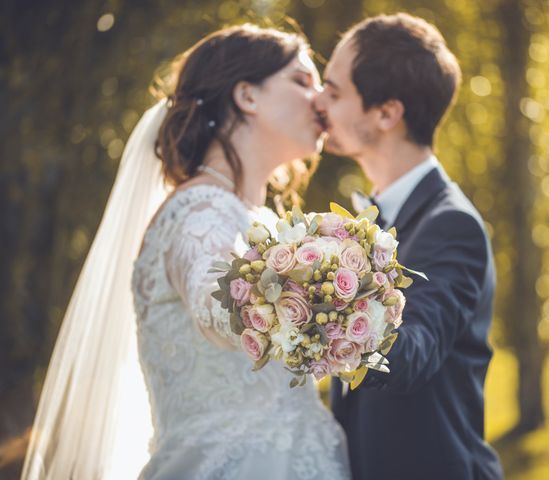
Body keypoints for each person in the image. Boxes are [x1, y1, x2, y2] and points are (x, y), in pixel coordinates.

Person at [22, 24, 350, 480]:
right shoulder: (199, 212)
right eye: (301, 80)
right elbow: (216, 302)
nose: (319, 100)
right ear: (247, 96)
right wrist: (335, 305)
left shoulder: (256, 221)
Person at [314, 13, 504, 480]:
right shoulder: (372, 216)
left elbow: (410, 356)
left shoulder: (452, 224)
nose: (318, 102)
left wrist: (314, 292)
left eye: (334, 92)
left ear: (386, 113)